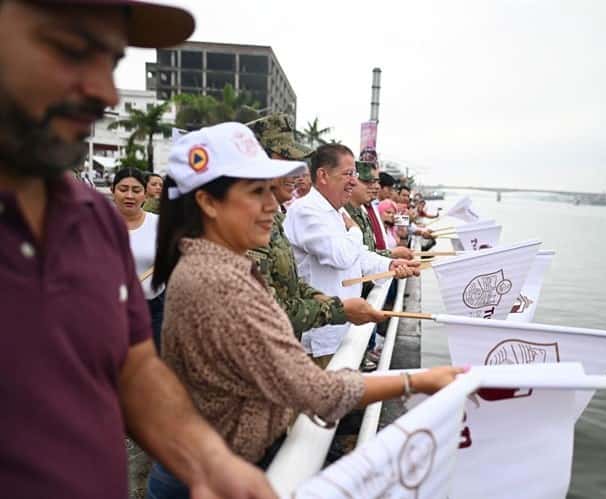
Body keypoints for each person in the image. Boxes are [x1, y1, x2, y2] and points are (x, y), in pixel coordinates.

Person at [0, 2, 275, 498]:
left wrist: (209, 461)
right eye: (71, 49)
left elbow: (135, 367)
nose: (105, 93)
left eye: (111, 62)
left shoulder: (92, 217)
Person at [147, 122, 465, 498]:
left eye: (270, 190)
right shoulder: (219, 281)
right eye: (255, 192)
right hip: (207, 476)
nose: (272, 205)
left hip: (210, 462)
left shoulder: (213, 264)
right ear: (208, 203)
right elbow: (317, 390)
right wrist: (420, 380)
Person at [247, 114, 385, 339]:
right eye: (286, 159)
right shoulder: (249, 223)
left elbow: (293, 285)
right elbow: (266, 306)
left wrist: (391, 264)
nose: (297, 171)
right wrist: (338, 310)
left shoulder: (276, 219)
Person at [284, 144, 421, 367]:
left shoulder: (338, 211)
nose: (354, 181)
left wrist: (392, 264)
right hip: (322, 337)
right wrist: (355, 230)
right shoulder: (305, 211)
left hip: (343, 330)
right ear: (323, 175)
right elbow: (341, 256)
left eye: (354, 175)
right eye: (348, 174)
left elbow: (359, 257)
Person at [111, 167, 166, 351]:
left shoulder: (159, 224)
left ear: (145, 194)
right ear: (112, 191)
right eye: (123, 189)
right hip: (110, 308)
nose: (129, 196)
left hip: (154, 308)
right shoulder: (98, 223)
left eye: (136, 191)